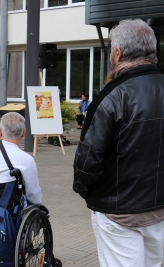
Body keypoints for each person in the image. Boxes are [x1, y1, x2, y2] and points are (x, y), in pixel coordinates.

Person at [73, 19, 164, 267]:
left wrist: (86, 191)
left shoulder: (112, 96)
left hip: (117, 211)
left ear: (118, 53)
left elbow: (88, 160)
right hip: (159, 209)